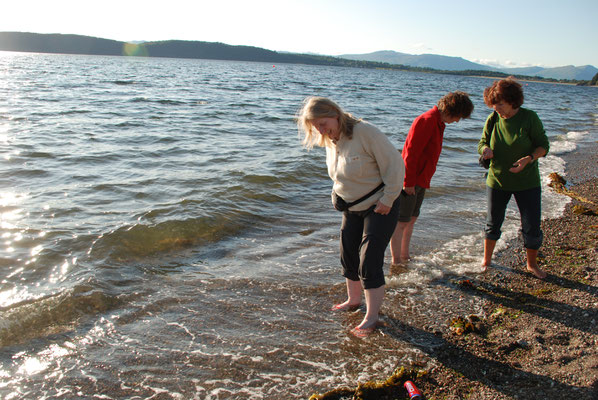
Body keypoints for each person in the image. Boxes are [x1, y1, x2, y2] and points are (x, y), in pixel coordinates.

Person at [297, 96, 404, 337]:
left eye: (323, 124)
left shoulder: (365, 132)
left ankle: (372, 316)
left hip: (380, 205)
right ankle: (353, 300)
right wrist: (335, 194)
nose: (320, 130)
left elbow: (396, 166)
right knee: (347, 254)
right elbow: (340, 174)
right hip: (351, 207)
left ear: (335, 113)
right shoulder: (330, 139)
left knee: (369, 259)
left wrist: (388, 199)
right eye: (315, 126)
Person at [478, 77, 550, 279]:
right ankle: (487, 260)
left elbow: (544, 145)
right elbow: (482, 141)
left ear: (513, 100)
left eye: (500, 103)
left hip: (527, 182)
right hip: (497, 180)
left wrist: (529, 158)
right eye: (493, 104)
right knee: (493, 223)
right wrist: (485, 149)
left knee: (531, 225)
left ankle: (531, 264)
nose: (496, 108)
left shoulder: (529, 118)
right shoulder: (493, 119)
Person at [390, 91, 474, 264]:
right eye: (458, 116)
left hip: (421, 180)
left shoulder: (439, 123)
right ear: (452, 110)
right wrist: (408, 183)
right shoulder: (427, 120)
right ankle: (396, 260)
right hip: (410, 181)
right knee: (401, 222)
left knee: (411, 219)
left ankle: (405, 256)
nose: (458, 121)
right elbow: (410, 155)